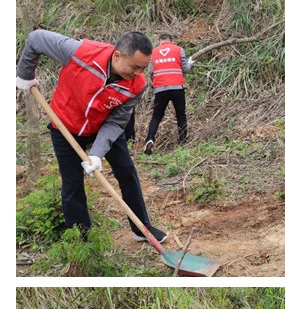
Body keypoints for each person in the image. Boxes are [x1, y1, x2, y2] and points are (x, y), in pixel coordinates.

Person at [17, 29, 168, 243]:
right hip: (65, 125)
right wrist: (25, 74)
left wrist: (97, 153)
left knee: (127, 172)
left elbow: (117, 122)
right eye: (135, 67)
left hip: (103, 126)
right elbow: (36, 39)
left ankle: (141, 228)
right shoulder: (81, 52)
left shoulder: (137, 85)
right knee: (72, 184)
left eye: (143, 68)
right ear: (117, 56)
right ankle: (81, 237)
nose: (138, 73)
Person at [143, 32, 193, 153]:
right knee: (181, 115)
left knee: (156, 116)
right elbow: (185, 69)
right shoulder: (179, 50)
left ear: (160, 41)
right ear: (171, 40)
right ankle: (182, 141)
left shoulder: (153, 53)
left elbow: (150, 72)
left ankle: (150, 139)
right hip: (177, 87)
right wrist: (191, 63)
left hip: (160, 88)